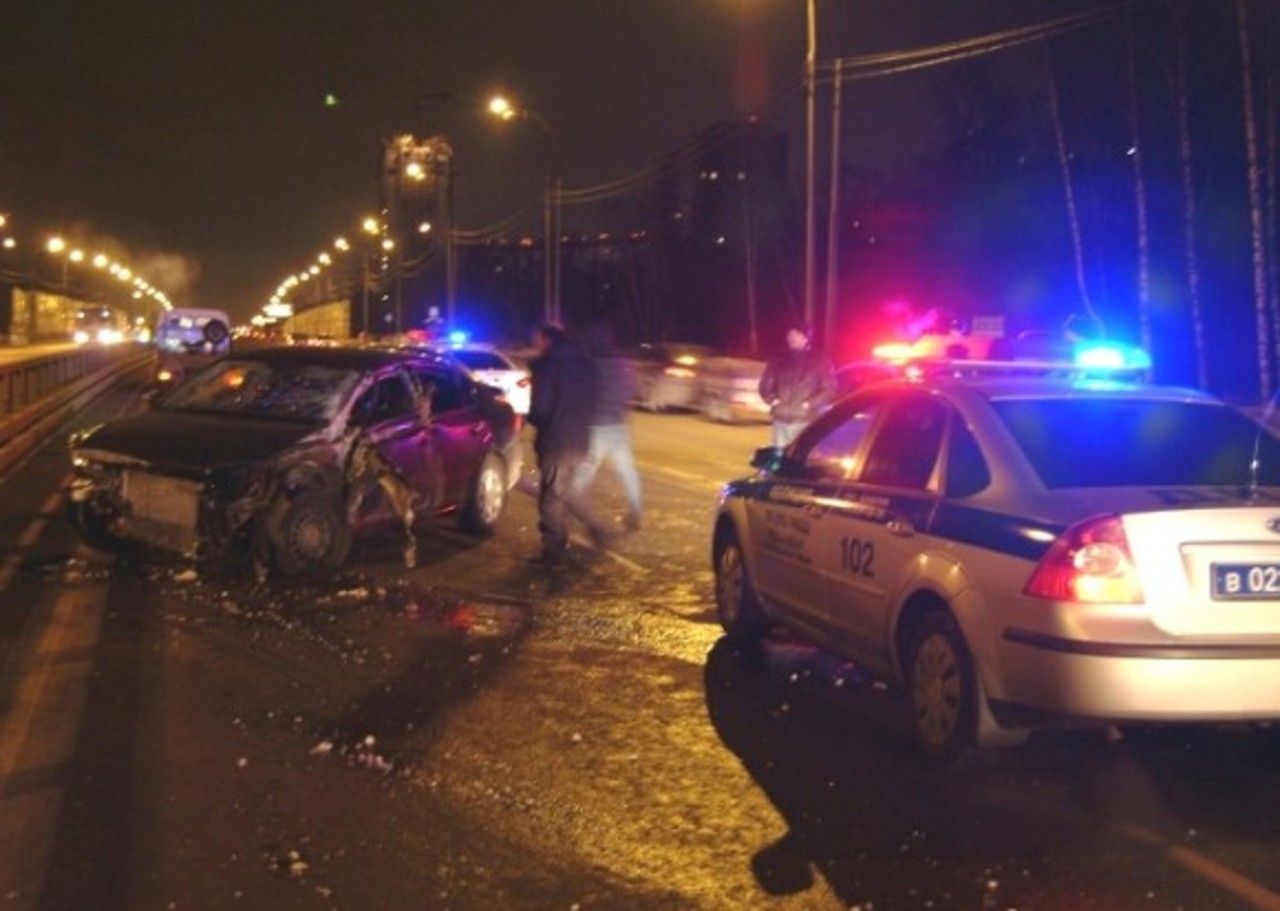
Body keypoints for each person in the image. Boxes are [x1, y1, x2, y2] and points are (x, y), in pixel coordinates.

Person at [527, 323, 614, 565]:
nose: (535, 345)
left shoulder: (548, 366)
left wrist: (530, 417)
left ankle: (554, 552)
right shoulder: (589, 367)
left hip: (556, 442)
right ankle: (599, 529)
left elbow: (540, 410)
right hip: (581, 441)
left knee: (551, 499)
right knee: (570, 493)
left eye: (537, 340)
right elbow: (596, 405)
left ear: (547, 340)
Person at [574, 321, 643, 531]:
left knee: (585, 470)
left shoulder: (590, 365)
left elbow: (583, 395)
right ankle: (636, 513)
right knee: (627, 471)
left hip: (596, 426)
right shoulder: (624, 364)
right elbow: (632, 391)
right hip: (619, 425)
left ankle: (570, 507)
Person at [759, 323, 836, 448]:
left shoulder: (820, 360)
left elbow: (829, 389)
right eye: (789, 334)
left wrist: (808, 404)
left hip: (805, 420)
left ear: (806, 338)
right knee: (779, 456)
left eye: (796, 334)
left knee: (800, 454)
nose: (791, 337)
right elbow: (765, 386)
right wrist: (773, 401)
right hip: (781, 420)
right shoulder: (778, 358)